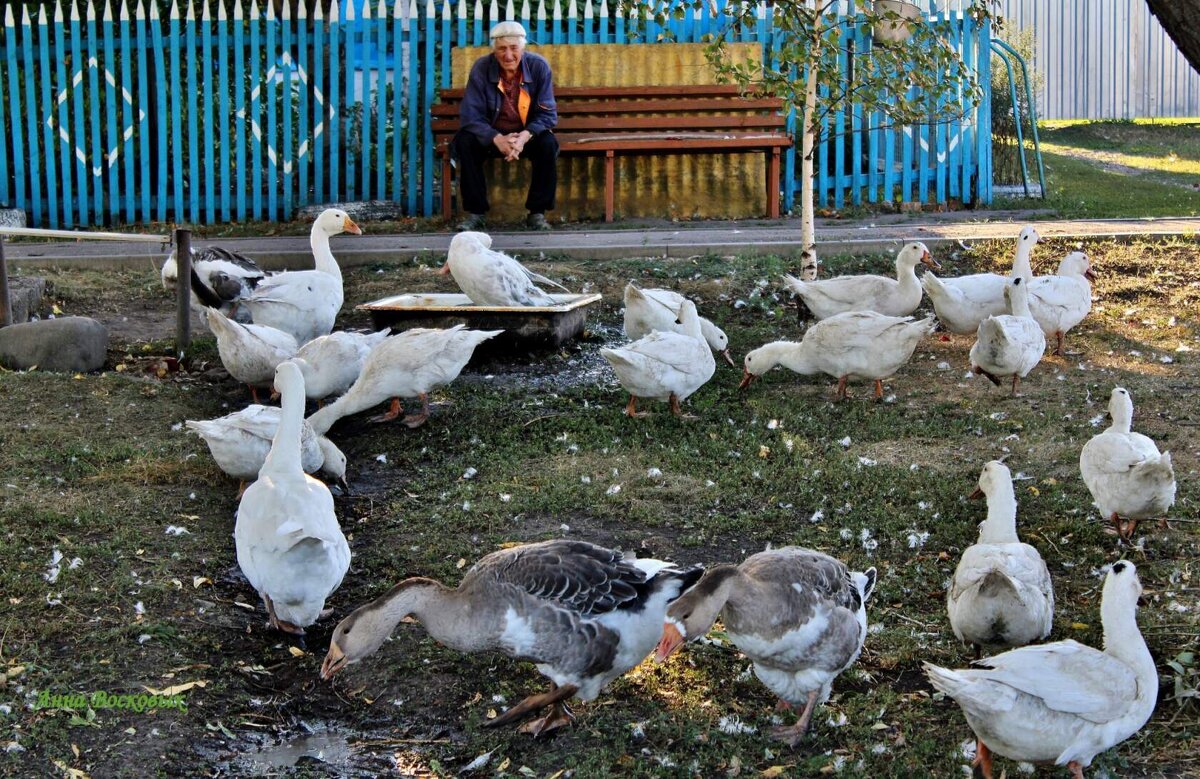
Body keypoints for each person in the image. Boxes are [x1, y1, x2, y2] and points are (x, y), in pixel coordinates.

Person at [451, 21, 559, 232]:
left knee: (547, 143)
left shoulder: (538, 67)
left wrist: (524, 136)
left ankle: (537, 214)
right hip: (491, 137)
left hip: (525, 137)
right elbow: (470, 115)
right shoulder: (482, 68)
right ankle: (476, 214)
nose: (508, 55)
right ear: (494, 50)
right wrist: (497, 138)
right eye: (502, 48)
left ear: (523, 48)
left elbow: (547, 114)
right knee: (465, 142)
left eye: (513, 48)